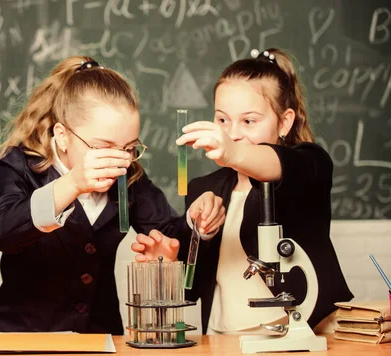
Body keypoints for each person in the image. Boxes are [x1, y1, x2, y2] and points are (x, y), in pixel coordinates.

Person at [131, 48, 353, 335]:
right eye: (222, 120)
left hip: (301, 338)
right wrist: (174, 257)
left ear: (284, 122)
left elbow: (277, 164)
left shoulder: (310, 166)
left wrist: (232, 152)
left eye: (249, 121)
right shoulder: (204, 189)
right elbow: (192, 287)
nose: (232, 133)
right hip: (223, 341)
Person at [0, 56, 188, 335]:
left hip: (99, 338)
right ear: (63, 135)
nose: (120, 160)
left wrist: (194, 229)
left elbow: (170, 234)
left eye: (129, 148)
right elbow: (0, 231)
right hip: (22, 339)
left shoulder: (128, 177)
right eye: (103, 147)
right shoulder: (19, 164)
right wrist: (73, 183)